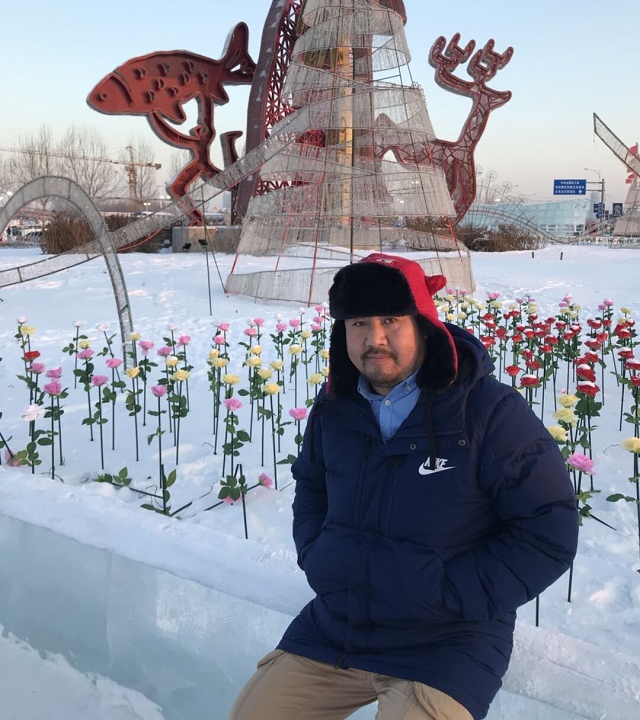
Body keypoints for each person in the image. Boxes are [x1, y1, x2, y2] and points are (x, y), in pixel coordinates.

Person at [229, 252, 579, 720]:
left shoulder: (488, 412)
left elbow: (548, 531)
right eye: (358, 323)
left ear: (423, 324)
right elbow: (312, 486)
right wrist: (318, 555)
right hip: (337, 627)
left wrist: (449, 594)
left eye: (391, 320)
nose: (374, 338)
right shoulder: (335, 408)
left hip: (447, 642)